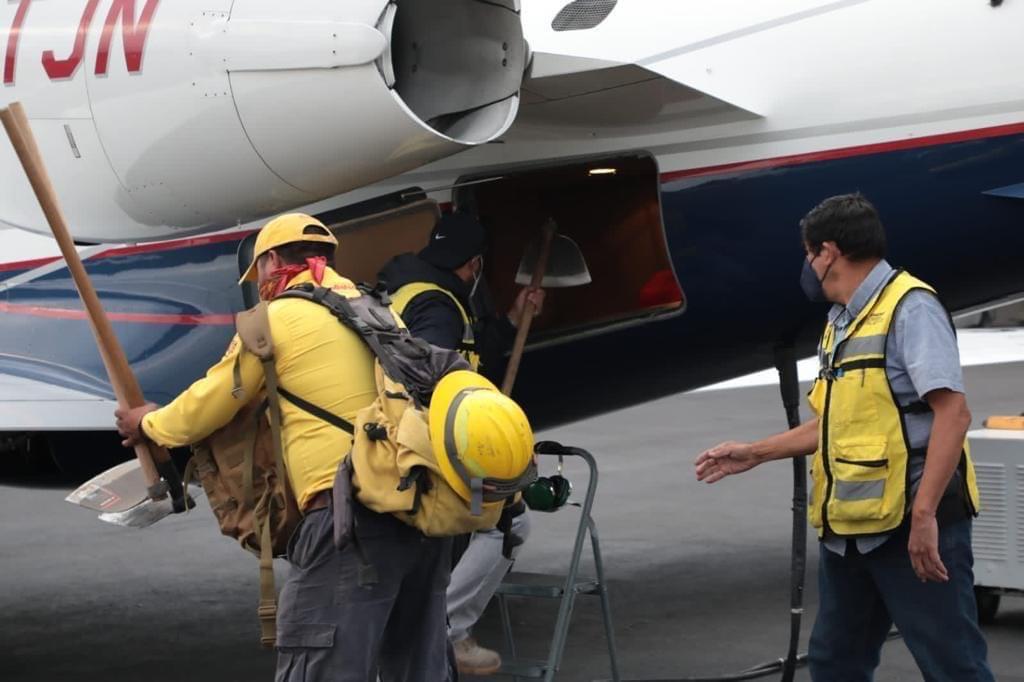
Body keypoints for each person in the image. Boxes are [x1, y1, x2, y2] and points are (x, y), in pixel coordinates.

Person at [114, 213, 527, 682]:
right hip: (419, 516)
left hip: (348, 520)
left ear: (271, 262)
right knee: (418, 668)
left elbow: (211, 401)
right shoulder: (378, 310)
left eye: (260, 273)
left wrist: (148, 423)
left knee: (320, 664)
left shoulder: (276, 318)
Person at [694, 194, 993, 681]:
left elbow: (952, 414)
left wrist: (924, 517)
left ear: (828, 252)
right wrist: (755, 452)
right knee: (836, 663)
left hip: (909, 525)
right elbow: (836, 421)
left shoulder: (910, 308)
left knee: (953, 666)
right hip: (850, 534)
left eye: (808, 253)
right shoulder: (841, 321)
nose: (807, 266)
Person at [379, 211, 544, 676]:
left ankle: (432, 628)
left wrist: (513, 318)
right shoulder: (438, 307)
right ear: (473, 263)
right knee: (507, 524)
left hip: (401, 440)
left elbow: (468, 351)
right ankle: (447, 629)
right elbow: (430, 376)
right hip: (436, 444)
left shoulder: (411, 288)